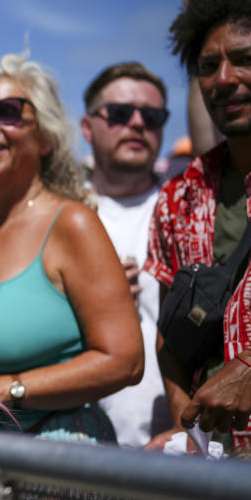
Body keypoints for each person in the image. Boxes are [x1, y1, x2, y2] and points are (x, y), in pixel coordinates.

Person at [0, 54, 143, 442]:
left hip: (58, 461)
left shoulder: (73, 223)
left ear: (45, 137)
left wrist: (10, 388)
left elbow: (125, 361)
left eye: (8, 112)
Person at [145, 0, 251, 456]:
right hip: (212, 479)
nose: (224, 80)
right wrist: (187, 431)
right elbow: (170, 341)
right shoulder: (178, 198)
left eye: (246, 60)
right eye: (209, 66)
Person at [80, 62, 172, 448]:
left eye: (152, 117)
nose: (137, 123)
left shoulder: (191, 213)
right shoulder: (56, 215)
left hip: (179, 455)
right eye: (119, 114)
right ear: (86, 128)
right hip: (77, 455)